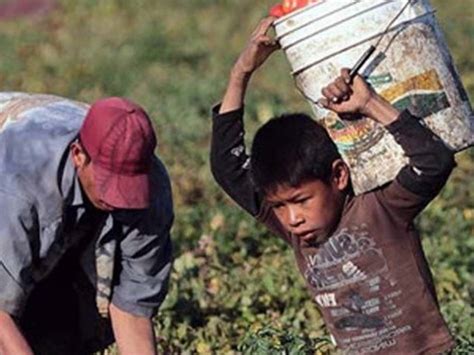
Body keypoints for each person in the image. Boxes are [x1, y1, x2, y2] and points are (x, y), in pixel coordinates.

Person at [210, 17, 457, 354]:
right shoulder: (298, 236)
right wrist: (240, 73)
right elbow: (227, 166)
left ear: (339, 176)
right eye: (279, 206)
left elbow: (434, 161)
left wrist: (370, 104)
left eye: (300, 200)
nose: (292, 218)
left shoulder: (381, 210)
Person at [0, 95, 173, 354]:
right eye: (109, 183)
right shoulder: (19, 185)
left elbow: (133, 310)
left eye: (128, 188)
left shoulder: (151, 188)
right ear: (78, 155)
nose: (119, 198)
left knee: (63, 337)